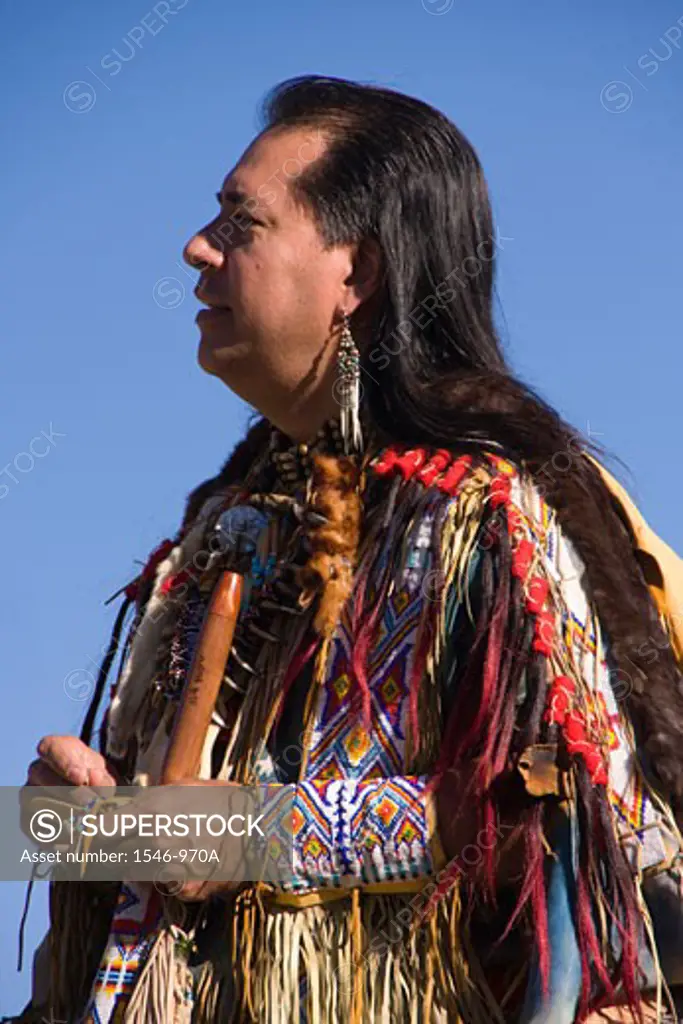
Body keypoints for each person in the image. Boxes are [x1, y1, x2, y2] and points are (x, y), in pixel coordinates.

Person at [16, 75, 683, 1023]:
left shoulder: (494, 517)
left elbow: (570, 824)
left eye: (240, 224)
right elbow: (178, 840)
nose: (196, 249)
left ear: (356, 275)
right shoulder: (222, 530)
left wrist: (249, 838)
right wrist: (90, 829)